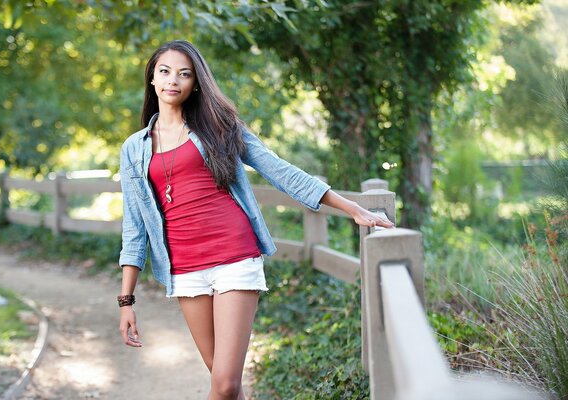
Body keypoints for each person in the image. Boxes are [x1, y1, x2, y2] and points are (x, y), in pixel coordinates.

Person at [117, 39, 394, 400]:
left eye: (184, 74)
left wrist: (352, 208)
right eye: (165, 72)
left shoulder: (220, 125)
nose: (173, 80)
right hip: (185, 268)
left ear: (196, 83)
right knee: (227, 387)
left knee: (225, 384)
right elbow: (135, 229)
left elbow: (280, 171)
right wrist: (126, 301)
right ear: (152, 79)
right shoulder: (134, 148)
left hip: (234, 255)